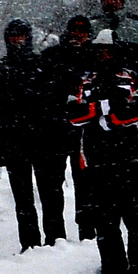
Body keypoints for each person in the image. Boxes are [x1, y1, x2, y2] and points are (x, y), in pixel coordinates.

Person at [69, 30, 138, 274]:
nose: (104, 55)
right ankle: (112, 271)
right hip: (96, 160)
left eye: (108, 50)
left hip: (131, 157)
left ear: (117, 51)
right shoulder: (83, 81)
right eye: (99, 51)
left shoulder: (132, 78)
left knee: (137, 217)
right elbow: (74, 115)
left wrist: (101, 116)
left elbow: (136, 112)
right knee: (105, 222)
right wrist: (108, 108)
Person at [0, 19, 65, 250]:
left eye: (21, 35)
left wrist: (58, 135)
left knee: (50, 194)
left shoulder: (43, 64)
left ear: (28, 37)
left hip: (44, 140)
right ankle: (29, 243)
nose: (16, 40)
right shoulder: (0, 68)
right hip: (14, 143)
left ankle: (56, 239)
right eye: (12, 36)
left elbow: (56, 103)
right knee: (22, 198)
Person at [41, 16, 95, 239]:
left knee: (86, 184)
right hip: (55, 129)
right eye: (74, 30)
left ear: (88, 34)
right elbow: (40, 91)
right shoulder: (51, 56)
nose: (77, 34)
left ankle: (88, 232)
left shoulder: (96, 56)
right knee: (52, 185)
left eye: (82, 31)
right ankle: (54, 236)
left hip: (86, 131)